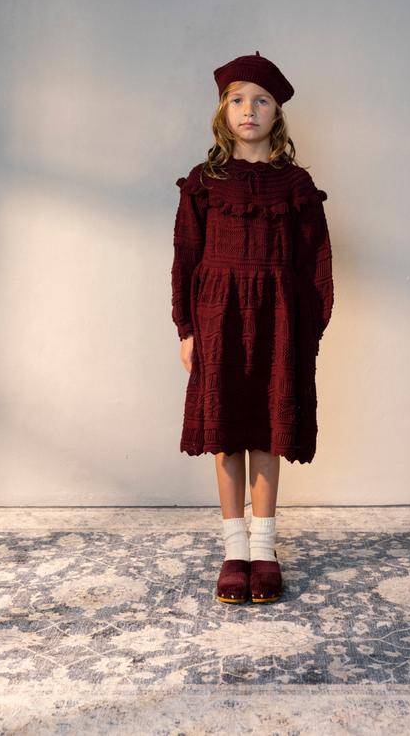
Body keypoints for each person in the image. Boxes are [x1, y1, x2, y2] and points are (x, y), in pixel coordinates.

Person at [171, 50, 334, 605]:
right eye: (238, 99)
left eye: (261, 100)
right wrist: (186, 328)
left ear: (277, 113)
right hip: (217, 319)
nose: (249, 109)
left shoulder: (296, 183)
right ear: (223, 111)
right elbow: (185, 258)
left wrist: (309, 329)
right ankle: (233, 550)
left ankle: (264, 549)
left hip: (278, 322)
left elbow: (316, 259)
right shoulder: (204, 181)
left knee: (267, 433)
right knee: (226, 433)